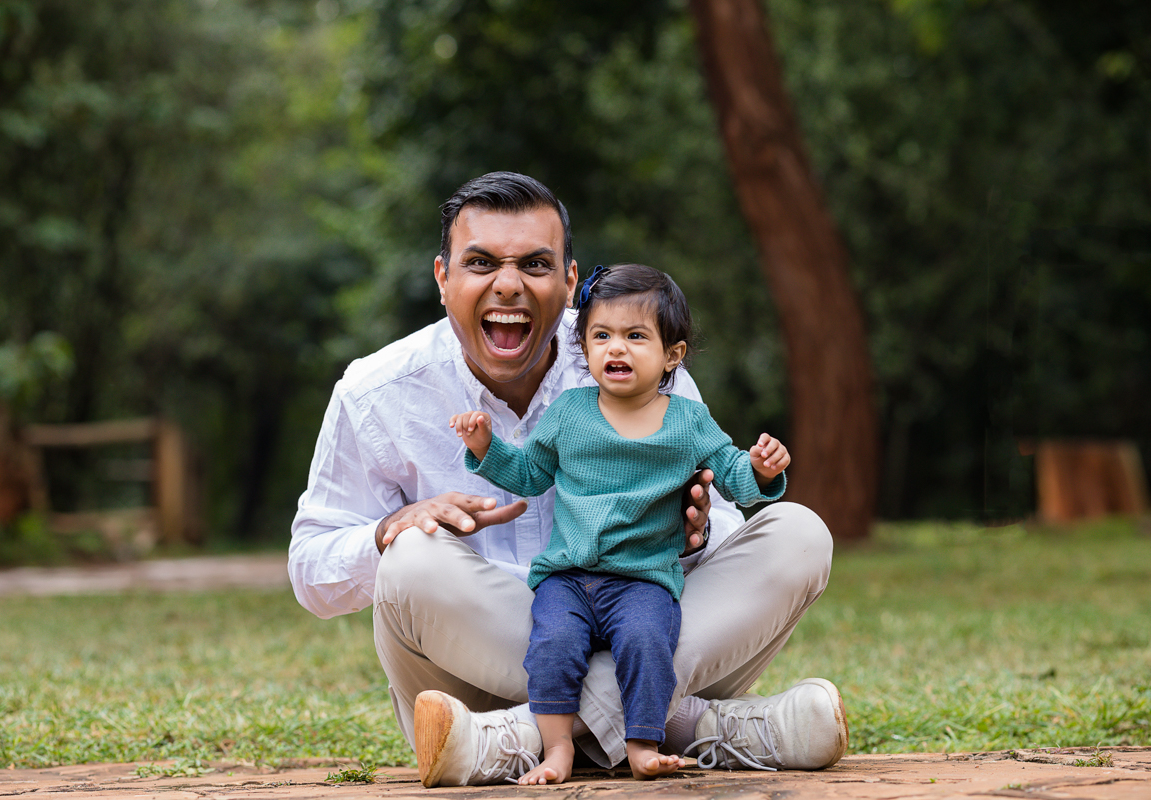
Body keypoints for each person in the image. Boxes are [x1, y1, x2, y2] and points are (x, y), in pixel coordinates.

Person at [289, 171, 847, 787]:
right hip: (472, 674)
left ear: (570, 281)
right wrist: (390, 527)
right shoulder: (376, 393)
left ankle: (519, 739)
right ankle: (701, 728)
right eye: (480, 263)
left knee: (799, 534)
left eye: (534, 263)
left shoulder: (637, 357)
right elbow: (310, 571)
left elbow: (724, 524)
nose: (508, 285)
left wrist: (700, 531)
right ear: (443, 278)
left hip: (631, 627)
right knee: (410, 558)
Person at [448, 263, 793, 784]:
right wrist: (484, 447)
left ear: (671, 354)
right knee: (552, 647)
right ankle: (557, 749)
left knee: (648, 645)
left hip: (642, 580)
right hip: (567, 577)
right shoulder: (569, 413)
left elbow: (733, 479)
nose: (616, 349)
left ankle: (642, 745)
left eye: (636, 336)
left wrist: (761, 471)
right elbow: (527, 473)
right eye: (602, 336)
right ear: (583, 347)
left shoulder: (688, 421)